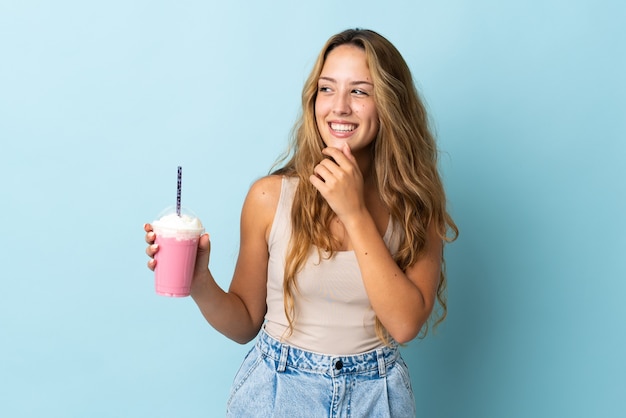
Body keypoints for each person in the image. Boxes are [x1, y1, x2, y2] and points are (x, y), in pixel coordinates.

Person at [144, 28, 457, 417]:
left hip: (376, 397)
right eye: (327, 89)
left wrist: (354, 212)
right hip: (278, 389)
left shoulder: (416, 207)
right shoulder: (269, 198)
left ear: (390, 103)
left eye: (360, 91)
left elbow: (406, 323)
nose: (339, 106)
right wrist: (199, 282)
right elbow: (244, 323)